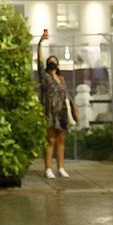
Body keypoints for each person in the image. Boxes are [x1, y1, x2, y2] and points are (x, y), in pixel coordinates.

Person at [37, 31, 76, 179]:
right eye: (50, 61)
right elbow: (39, 61)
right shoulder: (45, 77)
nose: (52, 63)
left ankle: (61, 167)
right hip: (50, 111)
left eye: (54, 61)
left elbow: (65, 95)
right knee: (50, 140)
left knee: (61, 141)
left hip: (62, 112)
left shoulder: (61, 78)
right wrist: (41, 43)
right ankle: (48, 168)